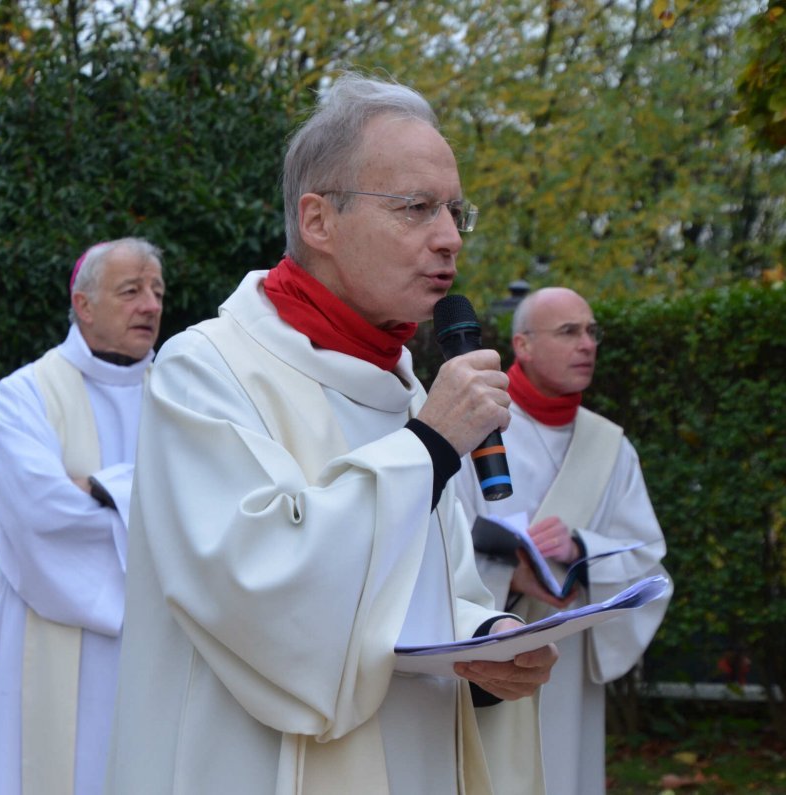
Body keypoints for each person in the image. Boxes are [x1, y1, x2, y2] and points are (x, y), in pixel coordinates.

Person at [105, 73, 557, 795]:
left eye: (454, 211)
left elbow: (430, 590)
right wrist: (431, 447)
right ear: (318, 220)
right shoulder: (208, 369)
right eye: (416, 208)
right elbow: (258, 592)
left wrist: (483, 642)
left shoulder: (406, 387)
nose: (448, 238)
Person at [0, 238, 166, 795]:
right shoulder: (25, 394)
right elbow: (41, 514)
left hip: (160, 646)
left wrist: (103, 487)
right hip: (50, 635)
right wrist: (148, 503)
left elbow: (213, 502)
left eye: (157, 291)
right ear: (83, 305)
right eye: (131, 291)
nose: (151, 305)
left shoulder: (183, 394)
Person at [472, 287, 672, 795]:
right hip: (484, 657)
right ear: (524, 345)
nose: (587, 344)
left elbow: (649, 562)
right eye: (568, 332)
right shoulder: (474, 427)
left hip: (568, 667)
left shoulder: (611, 446)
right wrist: (507, 576)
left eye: (591, 331)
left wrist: (582, 549)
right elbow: (431, 540)